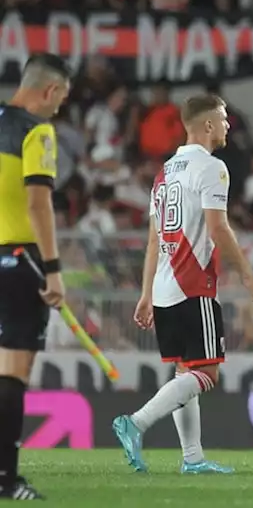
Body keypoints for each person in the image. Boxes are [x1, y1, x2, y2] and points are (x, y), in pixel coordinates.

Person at [113, 94, 253, 473]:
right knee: (206, 373)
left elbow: (154, 239)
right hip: (192, 284)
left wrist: (147, 293)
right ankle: (137, 422)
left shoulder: (165, 173)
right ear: (209, 125)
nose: (229, 125)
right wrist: (248, 274)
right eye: (224, 118)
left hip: (166, 287)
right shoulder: (212, 168)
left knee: (186, 371)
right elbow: (218, 227)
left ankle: (192, 458)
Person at [0, 54, 71, 499]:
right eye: (61, 97)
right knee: (13, 370)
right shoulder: (39, 131)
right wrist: (54, 270)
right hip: (22, 260)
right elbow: (38, 204)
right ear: (48, 91)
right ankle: (7, 477)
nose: (60, 107)